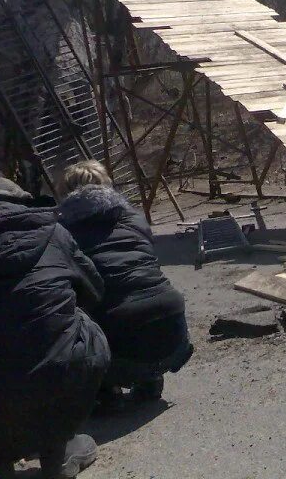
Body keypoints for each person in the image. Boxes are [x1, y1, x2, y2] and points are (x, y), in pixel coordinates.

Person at [0, 164, 110, 479]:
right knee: (77, 323)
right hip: (52, 380)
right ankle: (56, 449)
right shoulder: (53, 231)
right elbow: (95, 290)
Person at [58, 160, 193, 410]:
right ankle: (150, 376)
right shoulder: (134, 217)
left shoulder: (63, 229)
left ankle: (105, 389)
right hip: (174, 331)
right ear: (107, 184)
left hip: (122, 333)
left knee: (69, 307)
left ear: (66, 192)